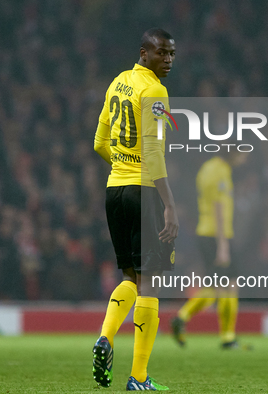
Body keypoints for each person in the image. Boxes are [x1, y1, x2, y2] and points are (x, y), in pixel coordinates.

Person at [92, 28, 178, 391]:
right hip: (143, 191)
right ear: (144, 53)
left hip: (114, 189)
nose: (168, 60)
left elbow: (99, 142)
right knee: (150, 282)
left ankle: (105, 338)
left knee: (130, 275)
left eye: (172, 54)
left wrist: (123, 166)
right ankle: (138, 377)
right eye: (162, 54)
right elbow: (155, 152)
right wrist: (169, 204)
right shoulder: (155, 90)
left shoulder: (118, 83)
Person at [171, 152, 246, 349]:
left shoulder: (207, 168)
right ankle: (227, 336)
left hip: (206, 231)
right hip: (217, 235)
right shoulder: (220, 171)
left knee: (217, 284)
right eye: (244, 153)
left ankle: (183, 317)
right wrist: (223, 245)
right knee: (228, 284)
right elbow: (219, 206)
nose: (245, 158)